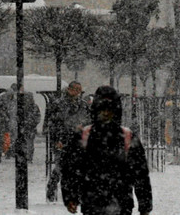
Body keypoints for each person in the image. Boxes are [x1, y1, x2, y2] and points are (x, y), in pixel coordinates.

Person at [61, 85, 151, 215]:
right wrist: (71, 197)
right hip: (110, 201)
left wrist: (71, 196)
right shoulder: (126, 137)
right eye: (102, 109)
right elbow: (71, 169)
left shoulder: (85, 136)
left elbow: (140, 173)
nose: (106, 113)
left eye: (109, 109)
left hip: (103, 201)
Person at [47, 81, 89, 202]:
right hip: (63, 139)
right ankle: (52, 187)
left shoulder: (83, 105)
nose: (77, 92)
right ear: (69, 89)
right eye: (75, 89)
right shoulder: (58, 104)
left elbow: (89, 122)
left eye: (79, 90)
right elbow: (53, 124)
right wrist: (57, 139)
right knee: (61, 166)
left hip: (78, 140)